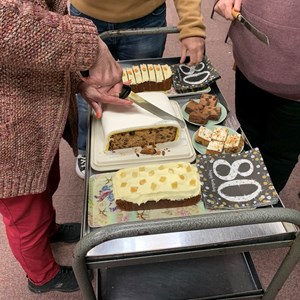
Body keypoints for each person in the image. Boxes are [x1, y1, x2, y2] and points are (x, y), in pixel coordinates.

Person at [0, 0, 132, 294]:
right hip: (8, 139)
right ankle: (42, 276)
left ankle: (50, 231)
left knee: (44, 185)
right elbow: (9, 25)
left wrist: (79, 83)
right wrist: (91, 47)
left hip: (30, 125)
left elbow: (36, 50)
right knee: (24, 215)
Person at [69, 0, 207, 178]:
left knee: (142, 90)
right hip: (85, 16)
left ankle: (140, 147)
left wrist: (191, 23)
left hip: (146, 16)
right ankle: (85, 149)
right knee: (86, 93)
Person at [214, 0, 300, 193]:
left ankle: (258, 206)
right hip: (250, 57)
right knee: (246, 136)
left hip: (295, 87)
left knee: (278, 154)